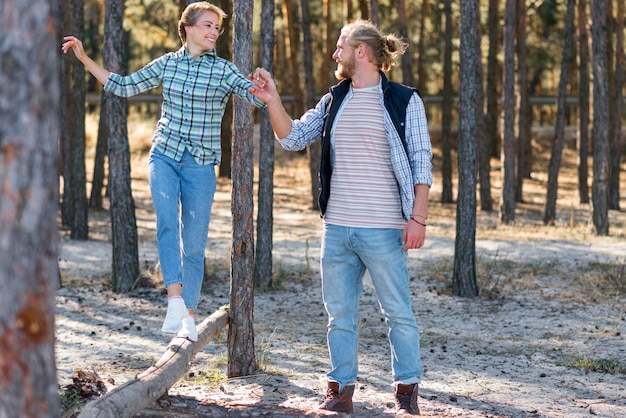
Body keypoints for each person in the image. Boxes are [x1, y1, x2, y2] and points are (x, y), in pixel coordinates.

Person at [249, 19, 432, 416]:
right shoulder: (335, 100)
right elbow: (294, 138)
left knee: (398, 312)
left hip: (385, 229)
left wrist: (418, 219)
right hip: (337, 229)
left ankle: (406, 393)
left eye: (340, 47)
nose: (335, 54)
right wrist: (272, 100)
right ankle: (340, 391)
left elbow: (421, 162)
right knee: (340, 316)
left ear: (360, 51)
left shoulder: (403, 100)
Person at [62, 2, 265, 342]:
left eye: (218, 27)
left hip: (200, 164)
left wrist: (261, 83)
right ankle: (175, 303)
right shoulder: (167, 65)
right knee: (167, 225)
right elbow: (123, 86)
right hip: (165, 157)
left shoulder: (223, 70)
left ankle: (188, 314)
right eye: (208, 25)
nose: (214, 32)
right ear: (187, 28)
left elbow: (255, 98)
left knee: (195, 243)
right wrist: (84, 59)